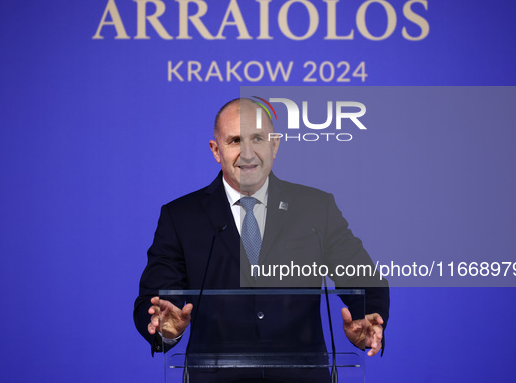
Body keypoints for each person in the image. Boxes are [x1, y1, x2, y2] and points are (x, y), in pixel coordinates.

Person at [134, 98, 389, 382]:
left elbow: (363, 278)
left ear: (275, 145)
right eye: (234, 140)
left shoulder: (316, 208)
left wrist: (366, 318)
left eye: (257, 138)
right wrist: (168, 327)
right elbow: (156, 298)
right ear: (216, 150)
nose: (247, 152)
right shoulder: (181, 216)